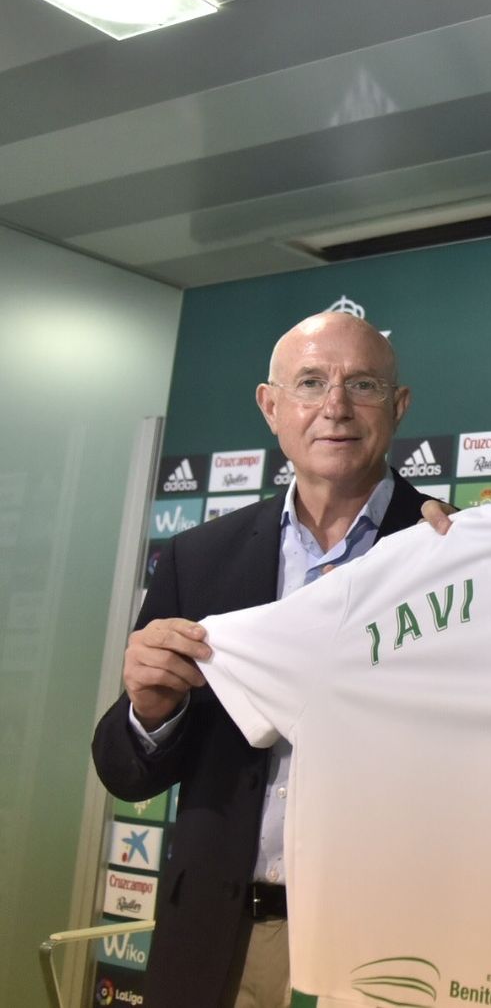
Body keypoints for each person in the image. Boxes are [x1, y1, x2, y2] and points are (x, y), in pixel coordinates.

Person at [91, 311, 443, 1007]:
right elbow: (125, 771)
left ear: (398, 407)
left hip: (389, 947)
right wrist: (148, 711)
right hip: (214, 940)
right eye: (310, 382)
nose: (334, 406)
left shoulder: (453, 550)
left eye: (362, 384)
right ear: (271, 405)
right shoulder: (199, 557)